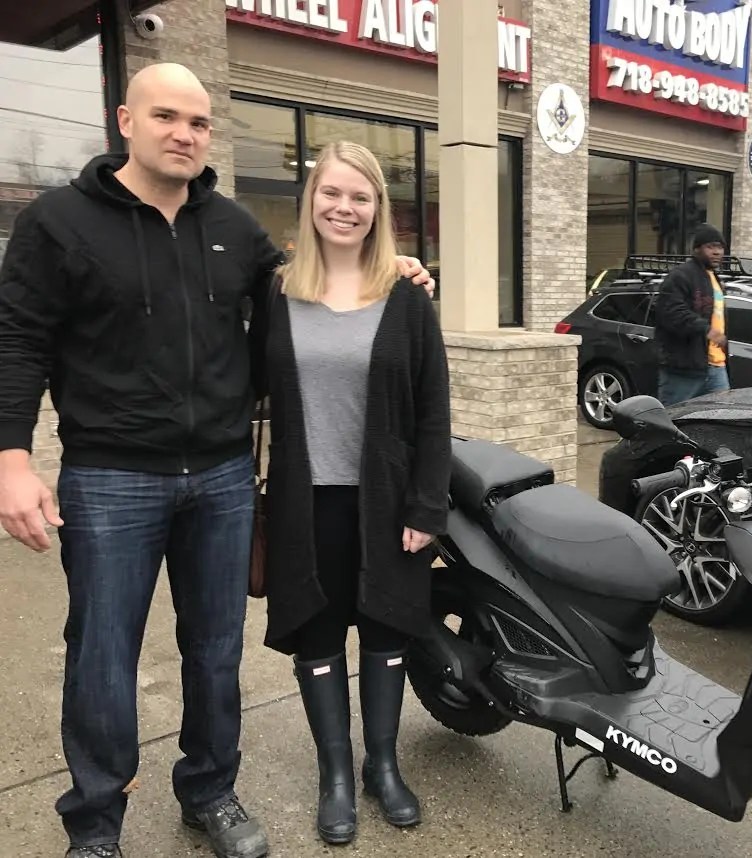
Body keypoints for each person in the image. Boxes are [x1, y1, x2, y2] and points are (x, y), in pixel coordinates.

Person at [0, 64, 434, 858]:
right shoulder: (59, 222)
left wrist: (395, 268)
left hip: (226, 479)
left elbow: (319, 290)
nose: (184, 134)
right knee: (102, 655)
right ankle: (95, 826)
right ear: (124, 119)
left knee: (214, 649)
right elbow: (19, 341)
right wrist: (11, 460)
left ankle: (209, 790)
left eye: (198, 123)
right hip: (111, 477)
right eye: (166, 117)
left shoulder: (236, 230)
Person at [249, 140, 451, 846]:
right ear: (311, 202)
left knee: (389, 630)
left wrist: (428, 505)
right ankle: (336, 774)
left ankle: (383, 767)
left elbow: (434, 408)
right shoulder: (276, 292)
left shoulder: (406, 296)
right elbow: (246, 386)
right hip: (307, 502)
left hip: (388, 502)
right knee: (318, 631)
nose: (345, 207)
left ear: (378, 210)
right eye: (332, 193)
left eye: (360, 197)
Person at [653, 224, 730, 406]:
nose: (717, 252)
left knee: (720, 419)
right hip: (684, 368)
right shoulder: (681, 276)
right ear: (696, 249)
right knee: (675, 420)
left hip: (716, 365)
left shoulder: (714, 279)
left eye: (720, 247)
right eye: (710, 247)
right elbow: (672, 312)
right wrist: (706, 330)